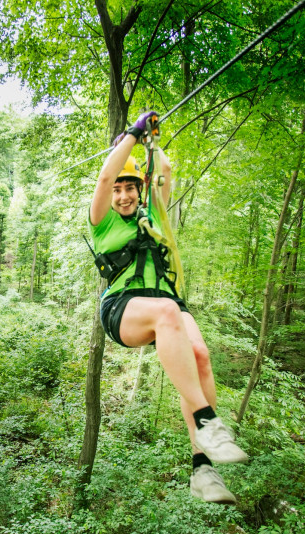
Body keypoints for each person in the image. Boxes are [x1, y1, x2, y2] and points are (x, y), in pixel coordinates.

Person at [88, 111, 248, 504]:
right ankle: (208, 420)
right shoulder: (102, 222)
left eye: (131, 187)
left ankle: (202, 470)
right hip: (123, 308)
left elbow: (167, 170)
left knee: (200, 356)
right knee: (167, 313)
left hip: (169, 303)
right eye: (118, 190)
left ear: (139, 189)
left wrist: (153, 143)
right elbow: (105, 177)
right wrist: (132, 134)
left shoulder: (154, 214)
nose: (123, 194)